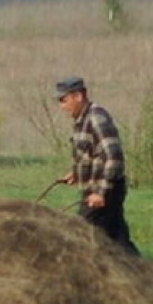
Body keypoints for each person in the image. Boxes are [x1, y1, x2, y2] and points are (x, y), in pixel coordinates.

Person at [55, 76, 140, 256]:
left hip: (104, 191)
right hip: (99, 190)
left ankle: (83, 280)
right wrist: (76, 173)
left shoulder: (96, 118)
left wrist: (101, 193)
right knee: (118, 241)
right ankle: (142, 275)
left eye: (64, 100)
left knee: (81, 236)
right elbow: (93, 154)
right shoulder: (82, 121)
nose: (62, 106)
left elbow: (113, 157)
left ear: (78, 96)